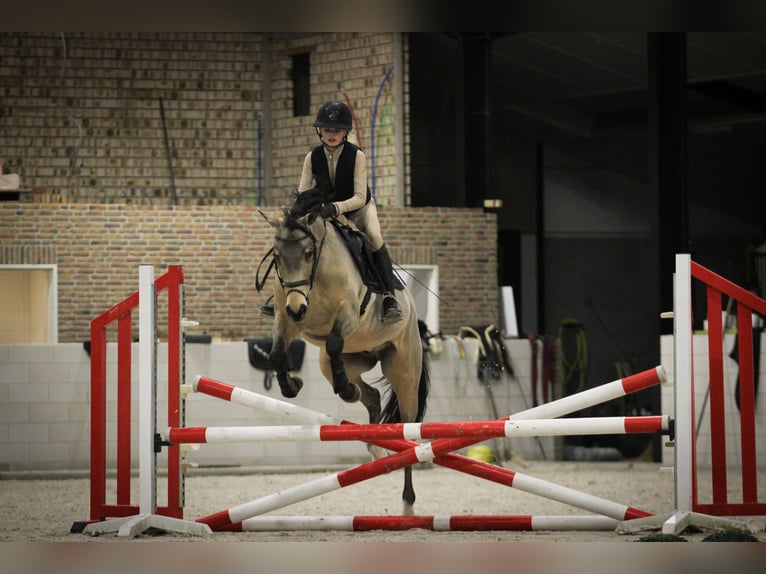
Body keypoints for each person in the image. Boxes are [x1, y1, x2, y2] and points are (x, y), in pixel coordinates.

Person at [261, 101, 402, 323]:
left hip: (358, 208)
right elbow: (304, 191)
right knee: (294, 241)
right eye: (327, 130)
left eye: (337, 131)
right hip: (325, 210)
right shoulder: (311, 157)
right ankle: (280, 297)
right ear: (320, 131)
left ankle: (388, 297)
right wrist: (295, 214)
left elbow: (359, 196)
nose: (332, 134)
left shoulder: (357, 156)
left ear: (345, 132)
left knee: (374, 238)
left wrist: (335, 208)